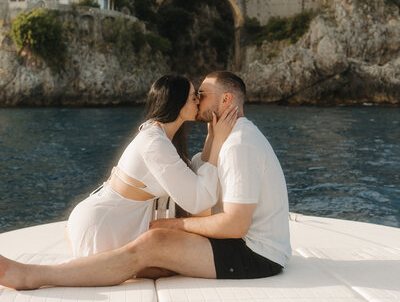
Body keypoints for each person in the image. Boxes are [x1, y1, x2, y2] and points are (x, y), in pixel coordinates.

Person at [0, 71, 291, 290]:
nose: (198, 100)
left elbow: (233, 223)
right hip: (108, 223)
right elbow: (202, 177)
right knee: (155, 245)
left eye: (202, 94)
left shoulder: (238, 144)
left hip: (254, 254)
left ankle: (34, 274)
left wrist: (173, 225)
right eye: (195, 95)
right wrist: (214, 138)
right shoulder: (225, 139)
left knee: (157, 241)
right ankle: (34, 274)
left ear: (226, 100)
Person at [66, 74, 238, 256]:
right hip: (103, 226)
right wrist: (218, 140)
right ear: (178, 104)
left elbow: (193, 178)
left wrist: (211, 136)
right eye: (193, 96)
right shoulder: (155, 144)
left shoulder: (157, 133)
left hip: (110, 220)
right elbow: (198, 201)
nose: (198, 101)